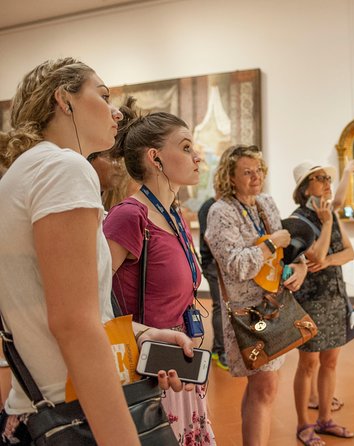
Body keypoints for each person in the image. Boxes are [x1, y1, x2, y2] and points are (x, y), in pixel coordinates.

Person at [0, 57, 192, 446]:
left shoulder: (25, 171)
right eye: (103, 96)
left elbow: (47, 304)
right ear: (64, 100)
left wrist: (140, 334)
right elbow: (73, 323)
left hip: (39, 408)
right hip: (75, 408)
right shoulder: (64, 167)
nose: (116, 111)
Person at [103, 108, 215, 444]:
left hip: (177, 363)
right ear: (155, 158)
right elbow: (89, 297)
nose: (197, 157)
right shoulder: (130, 216)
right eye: (184, 147)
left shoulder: (174, 214)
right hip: (146, 369)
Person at [205, 145, 308, 446]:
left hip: (274, 304)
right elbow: (235, 266)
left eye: (259, 170)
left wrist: (299, 266)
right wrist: (272, 245)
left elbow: (288, 248)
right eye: (247, 172)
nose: (255, 177)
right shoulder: (220, 211)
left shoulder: (265, 202)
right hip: (248, 313)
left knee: (263, 387)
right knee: (264, 386)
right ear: (230, 177)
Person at [291, 161, 354, 446]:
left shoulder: (331, 213)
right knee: (308, 364)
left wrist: (330, 259)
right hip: (309, 300)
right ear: (306, 188)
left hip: (334, 297)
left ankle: (325, 418)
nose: (327, 182)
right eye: (320, 178)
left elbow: (349, 252)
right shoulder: (296, 221)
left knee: (330, 362)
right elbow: (314, 256)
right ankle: (304, 424)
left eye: (328, 178)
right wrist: (327, 224)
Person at [197, 194, 228, 371]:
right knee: (220, 306)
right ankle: (219, 350)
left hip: (225, 266)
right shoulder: (208, 207)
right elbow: (211, 239)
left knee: (226, 307)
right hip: (213, 265)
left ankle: (224, 347)